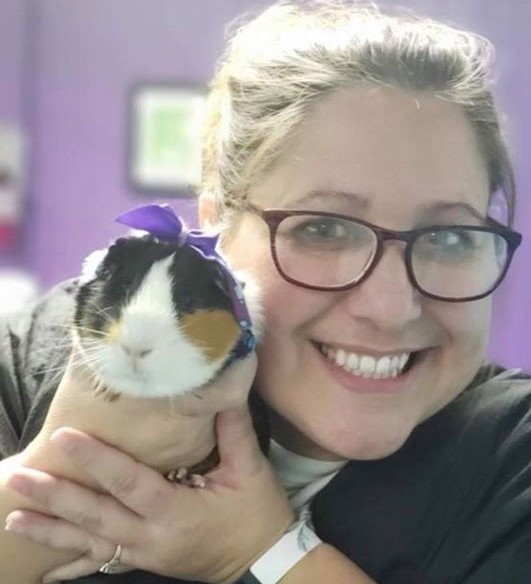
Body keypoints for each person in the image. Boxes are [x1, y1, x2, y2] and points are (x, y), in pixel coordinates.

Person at [0, 1, 530, 583]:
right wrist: (67, 464)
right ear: (215, 230)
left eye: (450, 236)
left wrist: (261, 551)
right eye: (322, 228)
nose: (389, 307)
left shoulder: (510, 457)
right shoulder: (51, 351)